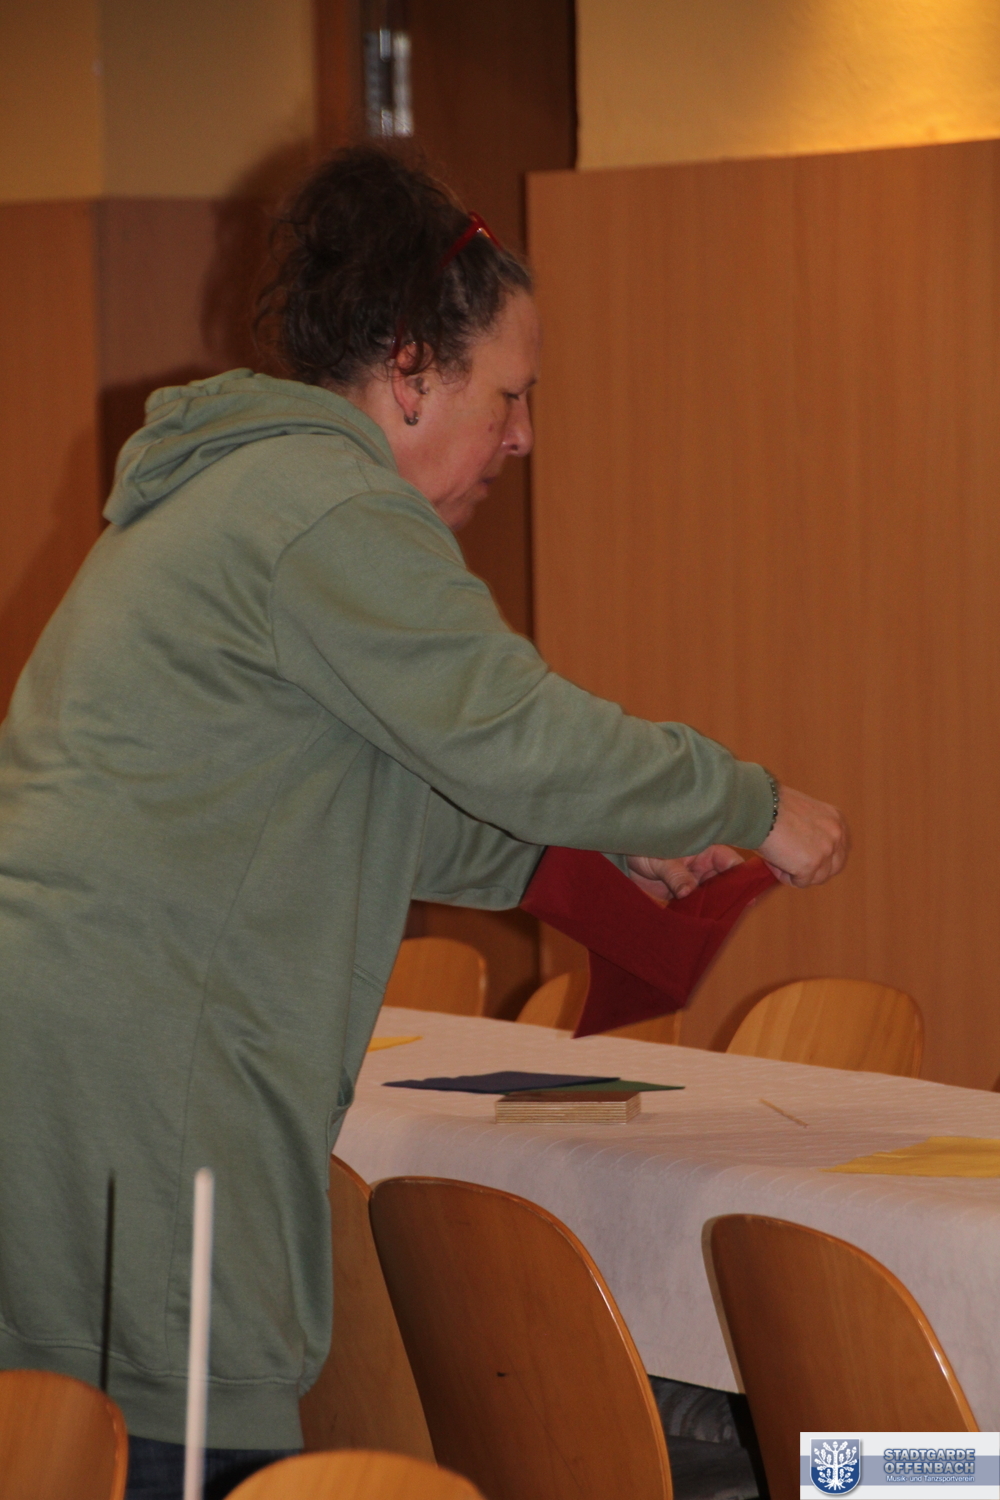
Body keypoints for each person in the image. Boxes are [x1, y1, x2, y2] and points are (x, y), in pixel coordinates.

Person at [0, 147, 847, 1498]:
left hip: (77, 1080)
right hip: (153, 1095)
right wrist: (745, 799)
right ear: (410, 371)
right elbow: (512, 728)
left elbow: (366, 804)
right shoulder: (328, 507)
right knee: (185, 1446)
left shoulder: (234, 497)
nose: (524, 437)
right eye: (509, 394)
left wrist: (580, 855)